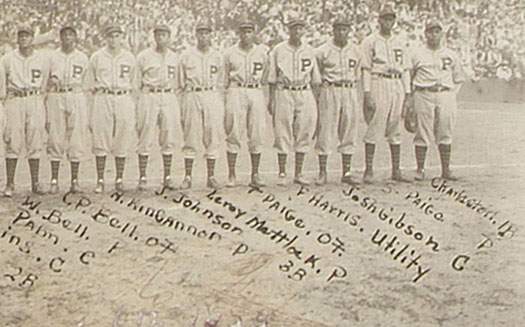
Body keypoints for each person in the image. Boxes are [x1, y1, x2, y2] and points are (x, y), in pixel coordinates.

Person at [267, 14, 321, 186]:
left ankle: (299, 173)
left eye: (300, 28)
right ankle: (282, 173)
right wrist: (271, 99)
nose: (297, 31)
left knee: (305, 130)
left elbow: (316, 80)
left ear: (304, 30)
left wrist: (316, 101)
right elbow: (272, 78)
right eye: (294, 28)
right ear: (289, 31)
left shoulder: (310, 50)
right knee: (282, 131)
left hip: (304, 91)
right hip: (284, 91)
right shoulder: (278, 50)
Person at [407, 19, 464, 181]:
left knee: (445, 131)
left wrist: (451, 94)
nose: (434, 34)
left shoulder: (451, 54)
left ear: (441, 33)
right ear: (425, 34)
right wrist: (411, 98)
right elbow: (409, 77)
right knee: (422, 132)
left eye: (437, 31)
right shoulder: (416, 53)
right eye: (430, 31)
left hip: (445, 94)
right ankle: (420, 169)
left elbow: (459, 78)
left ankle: (446, 169)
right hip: (423, 93)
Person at [361, 5, 412, 184]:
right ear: (379, 20)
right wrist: (367, 92)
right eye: (385, 19)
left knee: (395, 124)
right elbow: (366, 69)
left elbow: (405, 69)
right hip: (378, 80)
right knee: (375, 123)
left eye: (391, 19)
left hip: (397, 82)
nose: (388, 22)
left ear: (394, 21)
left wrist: (408, 93)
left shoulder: (400, 41)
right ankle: (368, 170)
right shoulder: (370, 41)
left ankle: (396, 170)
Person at [88, 24, 137, 193]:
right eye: (110, 36)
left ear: (121, 37)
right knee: (101, 137)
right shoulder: (97, 57)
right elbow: (89, 83)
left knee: (122, 137)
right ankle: (100, 179)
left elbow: (134, 82)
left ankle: (119, 179)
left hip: (123, 96)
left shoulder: (129, 57)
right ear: (105, 38)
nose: (113, 39)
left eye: (117, 35)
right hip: (103, 96)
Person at [1, 25, 49, 197]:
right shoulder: (7, 59)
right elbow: (2, 86)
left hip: (35, 98)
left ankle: (35, 182)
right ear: (17, 39)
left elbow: (45, 84)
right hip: (15, 100)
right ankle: (10, 184)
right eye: (21, 36)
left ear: (32, 38)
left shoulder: (42, 59)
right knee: (13, 140)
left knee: (35, 139)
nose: (24, 39)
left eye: (27, 36)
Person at [314, 16, 362, 185]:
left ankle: (347, 172)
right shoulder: (322, 50)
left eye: (345, 29)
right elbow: (317, 74)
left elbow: (357, 72)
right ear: (333, 30)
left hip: (349, 89)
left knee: (349, 129)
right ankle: (322, 172)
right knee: (326, 129)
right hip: (330, 89)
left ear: (349, 31)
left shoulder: (356, 50)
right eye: (338, 29)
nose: (341, 32)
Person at [178, 18, 224, 190]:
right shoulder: (186, 55)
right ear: (196, 35)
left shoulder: (218, 56)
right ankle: (188, 176)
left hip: (211, 93)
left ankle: (211, 176)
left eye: (206, 33)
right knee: (191, 134)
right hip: (192, 93)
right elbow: (180, 83)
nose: (203, 36)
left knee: (212, 134)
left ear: (210, 35)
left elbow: (222, 81)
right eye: (200, 33)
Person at [223, 16, 269, 188]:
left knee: (256, 132)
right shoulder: (229, 53)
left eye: (249, 31)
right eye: (243, 31)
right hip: (236, 90)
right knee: (234, 130)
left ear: (254, 33)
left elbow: (265, 76)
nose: (246, 35)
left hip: (255, 90)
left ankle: (255, 174)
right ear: (238, 33)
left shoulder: (262, 52)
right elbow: (224, 78)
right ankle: (232, 174)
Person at [136, 24, 181, 191]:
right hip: (149, 95)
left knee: (168, 136)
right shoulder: (144, 56)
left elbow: (180, 81)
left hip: (168, 95)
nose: (161, 38)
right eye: (158, 35)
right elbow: (136, 82)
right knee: (145, 135)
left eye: (164, 35)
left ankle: (167, 177)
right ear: (154, 37)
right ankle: (142, 177)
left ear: (169, 37)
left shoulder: (175, 57)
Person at [46, 24, 90, 194]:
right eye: (65, 34)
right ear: (60, 37)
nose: (68, 37)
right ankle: (54, 180)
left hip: (76, 95)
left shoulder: (83, 57)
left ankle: (74, 181)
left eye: (71, 34)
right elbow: (46, 79)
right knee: (55, 136)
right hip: (57, 96)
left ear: (76, 37)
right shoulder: (52, 57)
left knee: (76, 137)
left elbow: (87, 83)